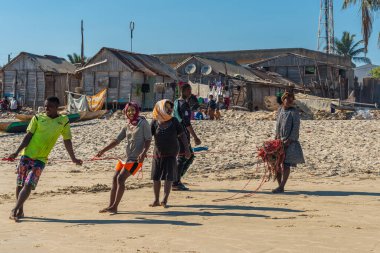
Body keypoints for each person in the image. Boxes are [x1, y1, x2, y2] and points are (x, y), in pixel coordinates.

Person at [7, 97, 83, 222]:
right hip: (26, 155)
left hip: (41, 159)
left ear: (57, 107)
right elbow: (28, 136)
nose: (46, 109)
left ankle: (14, 210)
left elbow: (67, 140)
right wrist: (16, 152)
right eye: (45, 106)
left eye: (50, 107)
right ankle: (20, 210)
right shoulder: (37, 118)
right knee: (20, 183)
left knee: (29, 184)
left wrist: (73, 158)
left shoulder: (63, 121)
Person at [96, 102, 151, 214]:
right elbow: (116, 140)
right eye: (128, 111)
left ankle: (114, 207)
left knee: (121, 179)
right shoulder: (127, 125)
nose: (131, 113)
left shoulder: (143, 123)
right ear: (125, 112)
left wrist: (144, 153)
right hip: (127, 158)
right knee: (114, 178)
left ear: (137, 110)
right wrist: (103, 151)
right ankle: (110, 206)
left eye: (133, 110)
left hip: (136, 159)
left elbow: (148, 139)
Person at [150, 99, 191, 207]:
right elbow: (148, 138)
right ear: (159, 108)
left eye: (170, 108)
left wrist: (187, 149)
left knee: (168, 177)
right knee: (155, 177)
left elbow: (182, 135)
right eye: (166, 107)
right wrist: (142, 151)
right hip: (157, 154)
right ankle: (156, 200)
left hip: (171, 153)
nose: (169, 110)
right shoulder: (154, 122)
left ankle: (164, 200)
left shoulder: (174, 121)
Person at [273, 92, 305, 193]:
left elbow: (296, 127)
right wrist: (276, 138)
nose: (288, 101)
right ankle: (279, 186)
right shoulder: (280, 110)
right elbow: (278, 125)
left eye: (290, 99)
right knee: (277, 164)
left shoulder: (294, 112)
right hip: (279, 141)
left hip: (290, 142)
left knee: (286, 164)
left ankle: (282, 186)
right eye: (286, 99)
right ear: (283, 100)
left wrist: (289, 140)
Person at [173, 83, 202, 191]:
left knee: (189, 155)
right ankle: (175, 182)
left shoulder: (176, 102)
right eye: (189, 91)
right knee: (184, 156)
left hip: (176, 133)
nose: (190, 93)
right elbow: (186, 122)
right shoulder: (183, 104)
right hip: (182, 134)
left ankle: (177, 179)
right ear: (183, 91)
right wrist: (195, 137)